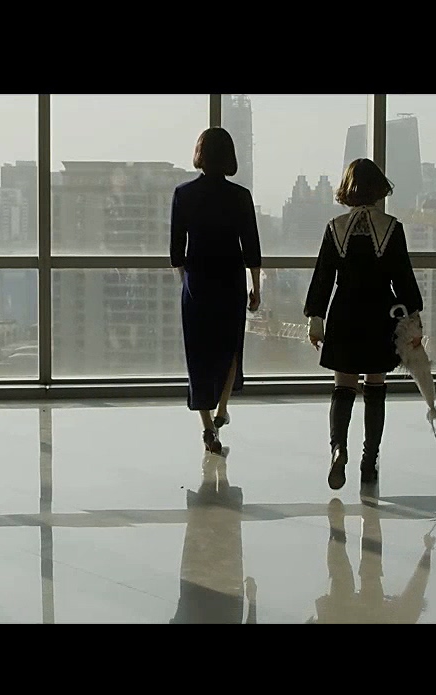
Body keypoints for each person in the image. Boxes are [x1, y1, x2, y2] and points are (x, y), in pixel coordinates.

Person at [304, 158, 424, 490]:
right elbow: (403, 277)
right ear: (379, 189)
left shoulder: (335, 228)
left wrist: (316, 318)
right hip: (379, 312)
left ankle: (338, 448)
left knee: (343, 388)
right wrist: (414, 318)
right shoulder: (391, 228)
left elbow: (323, 276)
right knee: (375, 388)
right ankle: (369, 461)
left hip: (344, 311)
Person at [170, 127, 263, 455]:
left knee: (198, 353)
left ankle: (207, 426)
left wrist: (186, 282)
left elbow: (176, 252)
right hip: (230, 280)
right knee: (230, 347)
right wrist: (256, 288)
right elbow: (251, 248)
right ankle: (223, 406)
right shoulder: (240, 196)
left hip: (197, 281)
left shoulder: (183, 194)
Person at [308, 498, 435, 624]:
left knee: (356, 577)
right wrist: (427, 552)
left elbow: (415, 593)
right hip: (366, 612)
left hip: (355, 613)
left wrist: (428, 552)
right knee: (361, 577)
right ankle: (347, 528)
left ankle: (359, 524)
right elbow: (415, 592)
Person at [170, 455, 258, 624]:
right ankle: (211, 473)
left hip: (223, 596)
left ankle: (216, 473)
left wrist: (252, 600)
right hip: (199, 594)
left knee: (225, 534)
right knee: (202, 532)